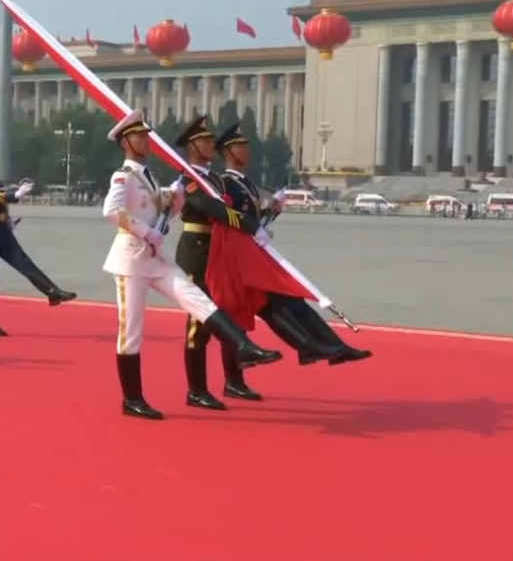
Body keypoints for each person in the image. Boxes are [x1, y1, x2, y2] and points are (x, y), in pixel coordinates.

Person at [102, 110, 281, 420]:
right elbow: (111, 211)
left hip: (155, 258)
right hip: (131, 259)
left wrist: (176, 202)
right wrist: (148, 232)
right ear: (126, 143)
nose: (146, 140)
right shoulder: (123, 176)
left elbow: (162, 212)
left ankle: (243, 346)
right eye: (140, 136)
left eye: (146, 134)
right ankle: (132, 399)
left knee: (198, 299)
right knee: (131, 331)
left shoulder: (149, 175)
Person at [214, 123, 371, 400]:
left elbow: (252, 219)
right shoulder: (224, 183)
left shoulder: (245, 182)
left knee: (289, 299)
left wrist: (270, 210)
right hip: (236, 258)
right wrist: (256, 223)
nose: (247, 150)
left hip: (252, 253)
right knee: (259, 309)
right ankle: (309, 347)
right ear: (228, 152)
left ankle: (331, 345)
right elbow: (226, 218)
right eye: (241, 146)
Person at [171, 115, 263, 410]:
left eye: (212, 140)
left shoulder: (213, 178)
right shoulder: (188, 180)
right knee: (199, 322)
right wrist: (248, 225)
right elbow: (213, 209)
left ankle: (233, 380)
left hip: (218, 252)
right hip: (195, 253)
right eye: (207, 141)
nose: (213, 144)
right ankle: (196, 389)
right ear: (192, 146)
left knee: (227, 313)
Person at [0, 142, 75, 337]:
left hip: (2, 230)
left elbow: (1, 203)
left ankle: (52, 292)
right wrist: (16, 193)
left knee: (24, 262)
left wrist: (9, 220)